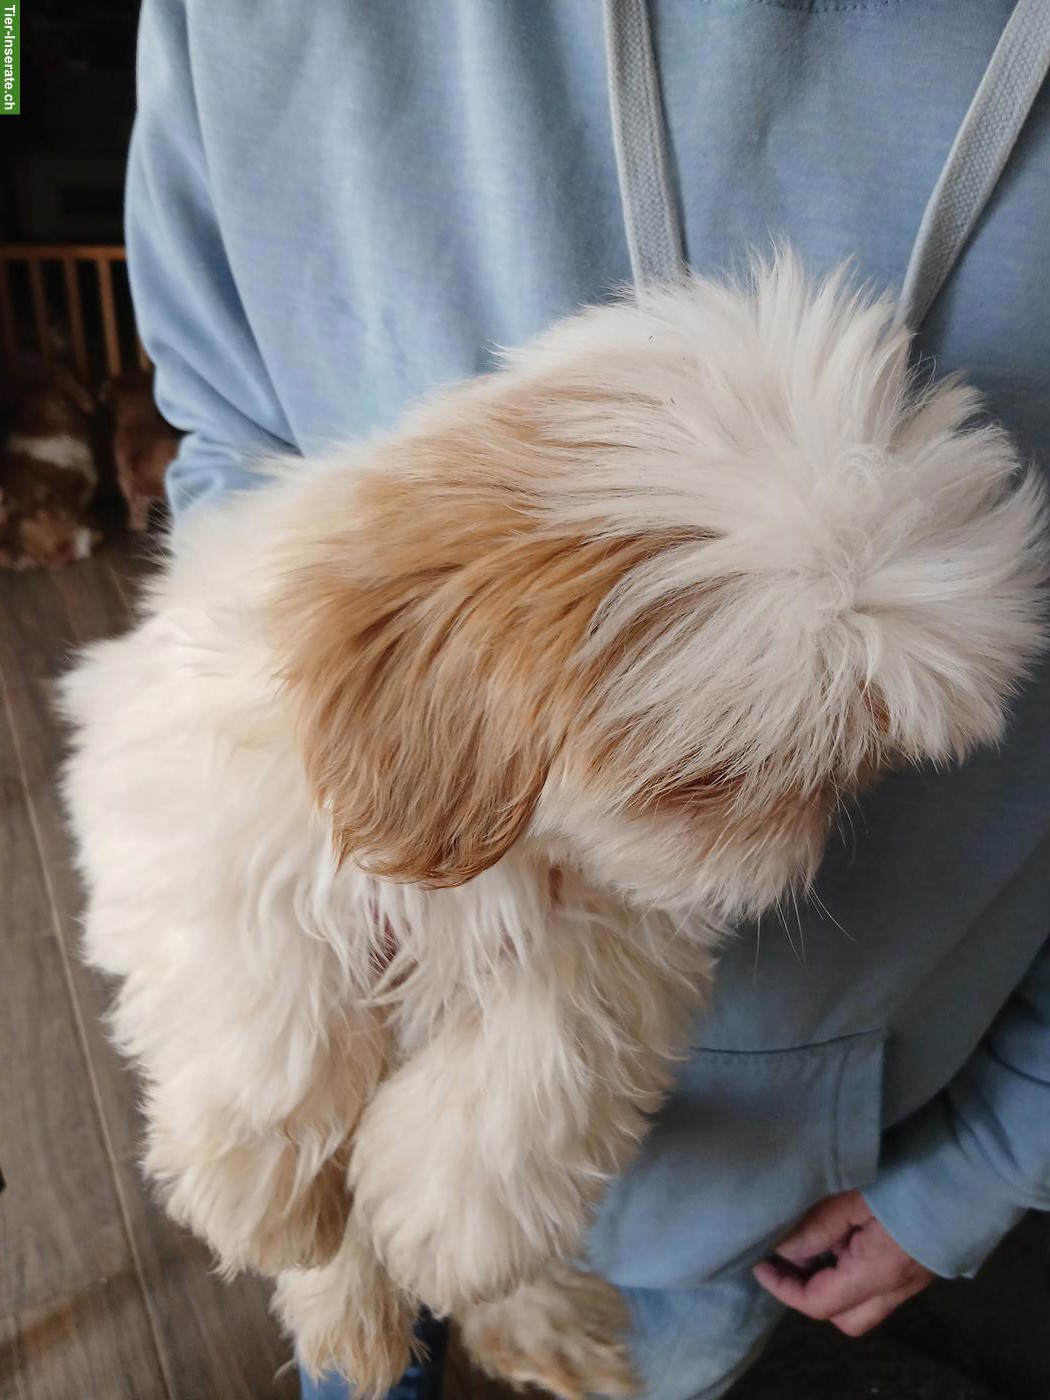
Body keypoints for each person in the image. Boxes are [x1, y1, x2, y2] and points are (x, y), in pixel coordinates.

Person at [125, 2, 1050, 1397]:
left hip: (773, 1187)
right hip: (341, 896)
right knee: (336, 1303)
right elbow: (228, 431)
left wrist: (985, 1160)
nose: (805, 845)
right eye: (736, 776)